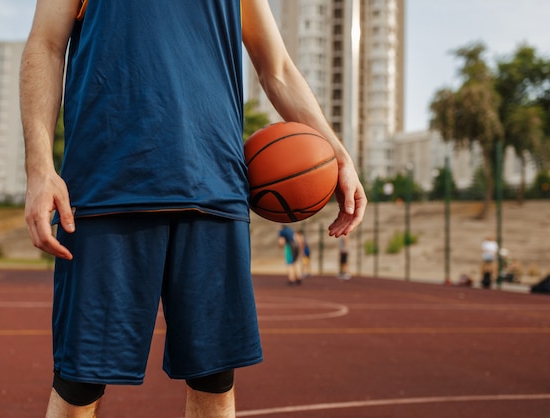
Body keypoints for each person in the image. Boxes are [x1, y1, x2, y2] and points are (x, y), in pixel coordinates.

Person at [20, 0, 366, 416]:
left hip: (214, 188)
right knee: (79, 383)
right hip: (107, 187)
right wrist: (39, 167)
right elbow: (45, 45)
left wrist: (339, 155)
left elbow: (277, 69)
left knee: (214, 381)